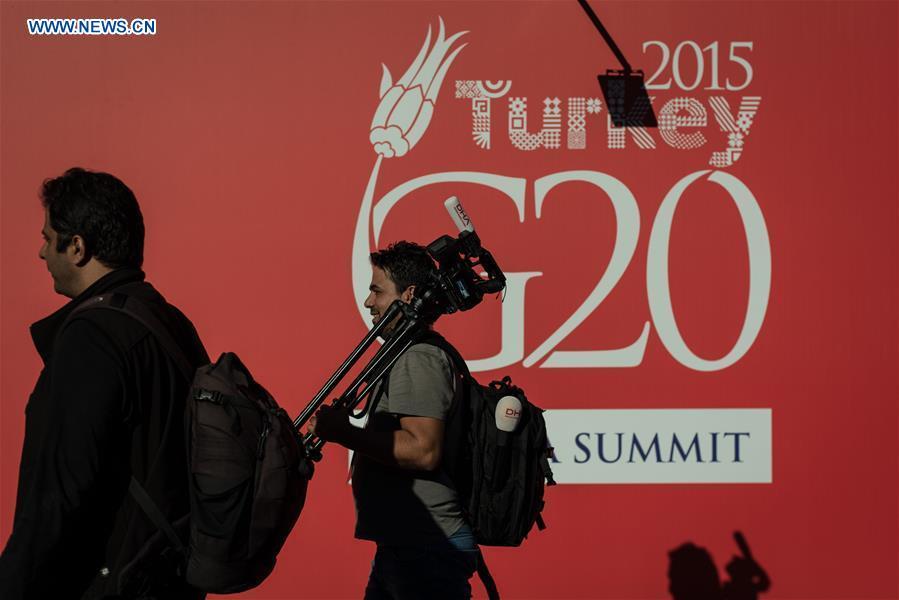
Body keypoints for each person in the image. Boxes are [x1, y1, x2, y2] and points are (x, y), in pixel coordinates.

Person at [0, 168, 208, 599]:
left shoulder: (92, 336)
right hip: (171, 578)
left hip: (111, 581)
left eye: (48, 237)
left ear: (77, 247)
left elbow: (59, 492)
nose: (41, 252)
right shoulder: (169, 322)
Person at [310, 241, 478, 600]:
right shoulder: (408, 352)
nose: (368, 302)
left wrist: (343, 433)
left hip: (427, 548)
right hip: (409, 546)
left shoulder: (418, 357)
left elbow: (423, 450)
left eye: (377, 290)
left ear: (409, 294)